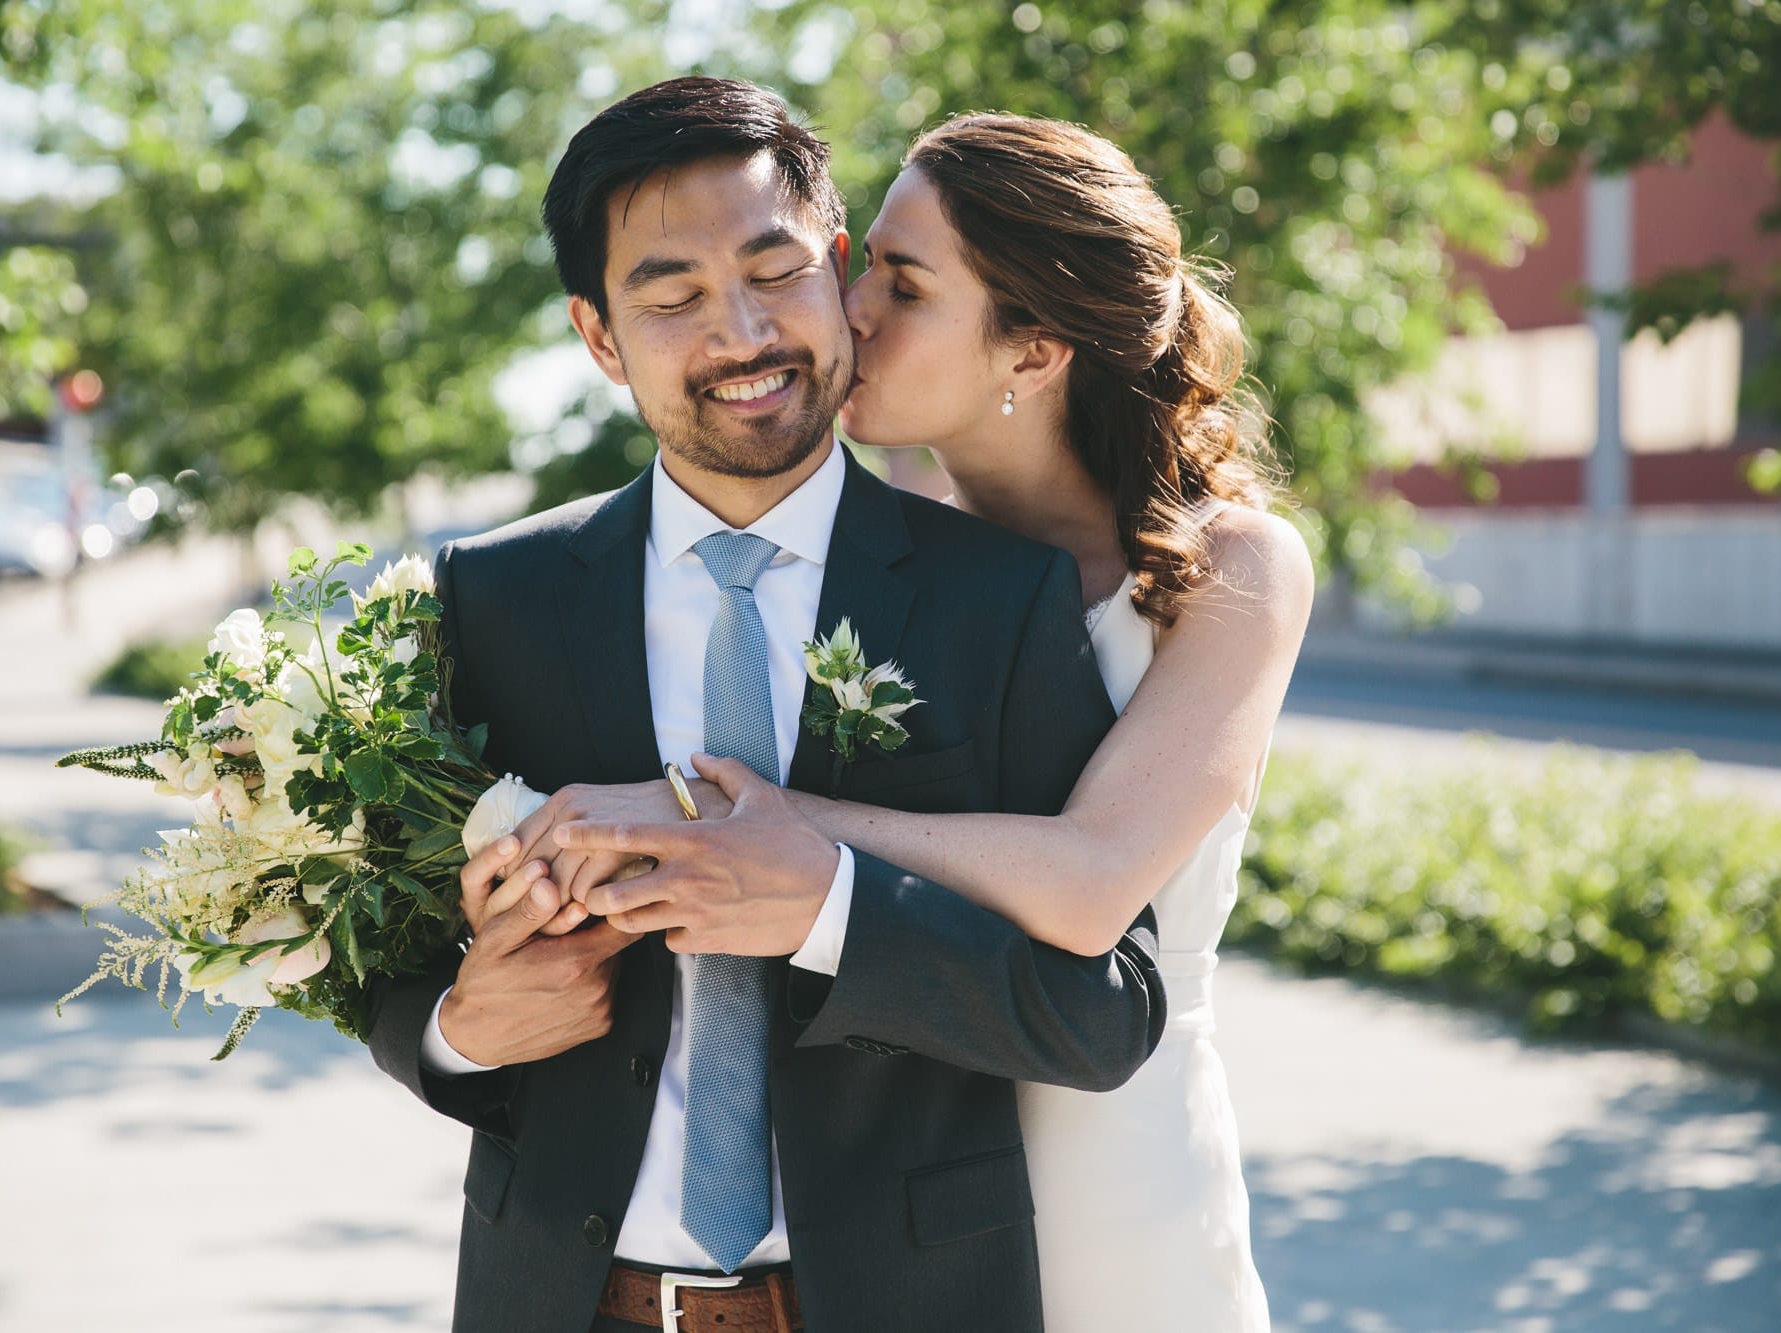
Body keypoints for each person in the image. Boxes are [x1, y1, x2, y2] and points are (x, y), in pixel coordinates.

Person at [364, 80, 1166, 1333]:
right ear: (596, 335)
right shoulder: (493, 597)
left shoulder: (999, 600)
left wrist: (832, 905)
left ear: (840, 271)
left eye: (773, 271)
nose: (738, 335)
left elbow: (1107, 1008)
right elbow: (397, 960)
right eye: (670, 296)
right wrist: (459, 1030)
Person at [530, 113, 1312, 1332]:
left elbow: (1095, 877)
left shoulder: (1234, 569)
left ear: (1033, 345)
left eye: (903, 282)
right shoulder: (892, 554)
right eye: (860, 265)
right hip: (896, 1175)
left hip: (1110, 1165)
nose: (848, 312)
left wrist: (768, 831)